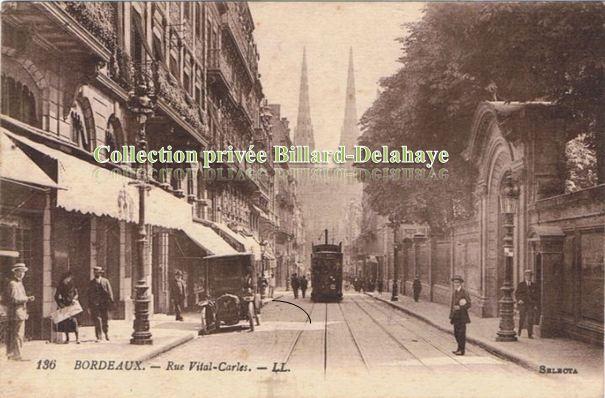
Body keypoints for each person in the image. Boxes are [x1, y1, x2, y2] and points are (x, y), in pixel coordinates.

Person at [4, 263, 35, 361]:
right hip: (16, 313)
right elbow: (14, 299)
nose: (22, 274)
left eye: (23, 272)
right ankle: (17, 355)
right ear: (15, 272)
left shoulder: (19, 283)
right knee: (18, 335)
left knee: (15, 334)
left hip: (19, 312)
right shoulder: (13, 284)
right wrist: (27, 299)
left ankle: (12, 354)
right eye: (19, 271)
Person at [87, 266, 114, 342]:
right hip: (95, 305)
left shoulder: (105, 281)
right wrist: (89, 306)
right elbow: (89, 295)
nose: (96, 273)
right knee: (97, 320)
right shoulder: (91, 283)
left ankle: (106, 333)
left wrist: (111, 303)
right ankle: (99, 336)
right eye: (95, 272)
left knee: (105, 319)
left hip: (104, 304)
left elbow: (110, 292)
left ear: (100, 273)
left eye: (98, 272)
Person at [54, 271, 80, 344]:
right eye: (68, 278)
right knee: (65, 323)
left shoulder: (72, 284)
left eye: (70, 278)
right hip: (64, 305)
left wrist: (75, 299)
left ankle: (77, 338)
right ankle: (67, 339)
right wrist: (61, 304)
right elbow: (56, 296)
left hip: (72, 305)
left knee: (74, 321)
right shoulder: (60, 286)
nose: (69, 279)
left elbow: (76, 294)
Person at [449, 275, 471, 356]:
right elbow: (452, 305)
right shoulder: (454, 293)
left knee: (461, 333)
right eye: (455, 282)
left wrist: (460, 307)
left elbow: (469, 304)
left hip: (462, 316)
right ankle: (459, 348)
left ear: (461, 283)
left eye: (458, 282)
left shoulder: (464, 292)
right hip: (455, 316)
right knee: (456, 333)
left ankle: (462, 350)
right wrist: (451, 315)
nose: (456, 284)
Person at [515, 269, 540, 338]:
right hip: (523, 304)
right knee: (522, 318)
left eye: (530, 276)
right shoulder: (521, 284)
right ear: (525, 276)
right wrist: (519, 300)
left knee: (530, 319)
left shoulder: (534, 285)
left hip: (530, 305)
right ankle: (519, 331)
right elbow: (517, 294)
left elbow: (536, 295)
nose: (528, 277)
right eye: (527, 275)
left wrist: (535, 304)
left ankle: (530, 334)